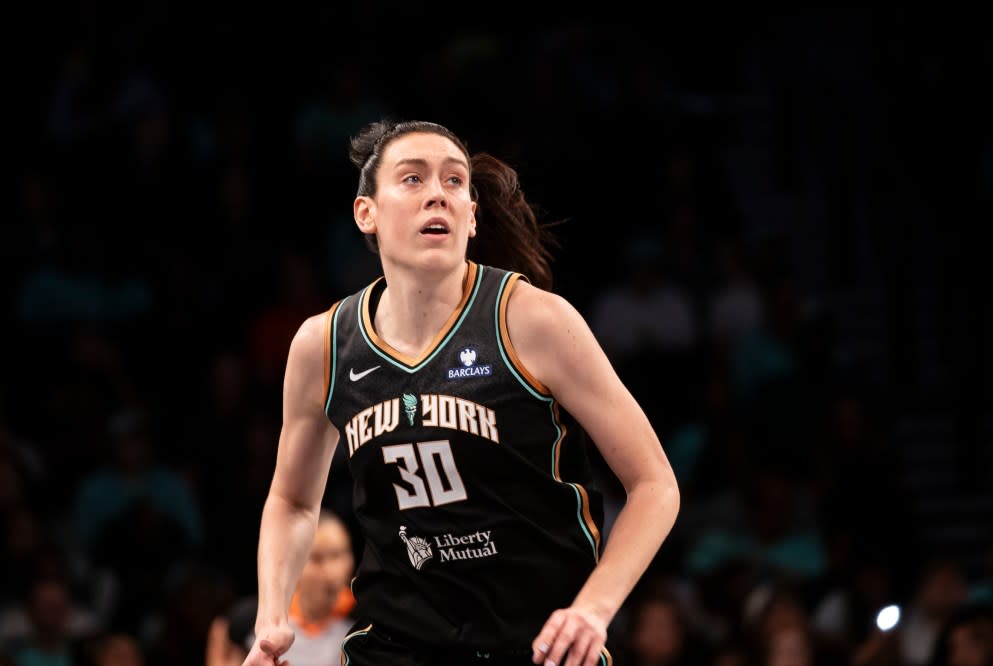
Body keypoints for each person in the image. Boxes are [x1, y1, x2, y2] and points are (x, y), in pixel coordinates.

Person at [241, 119, 680, 666]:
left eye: (454, 182)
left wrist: (594, 609)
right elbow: (292, 500)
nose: (437, 196)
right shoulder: (323, 346)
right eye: (413, 179)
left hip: (538, 646)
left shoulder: (532, 320)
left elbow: (655, 483)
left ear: (472, 217)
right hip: (397, 646)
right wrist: (271, 619)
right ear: (366, 213)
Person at [207, 508, 357, 666]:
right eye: (316, 559)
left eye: (339, 554)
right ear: (293, 564)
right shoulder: (252, 622)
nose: (332, 572)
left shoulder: (364, 619)